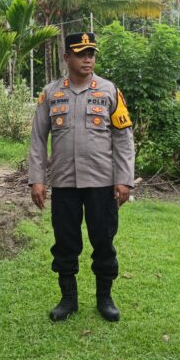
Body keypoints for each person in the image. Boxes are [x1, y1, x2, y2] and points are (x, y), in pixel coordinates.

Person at [28, 32, 135, 323]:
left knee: (104, 241)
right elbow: (38, 139)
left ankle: (105, 298)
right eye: (80, 53)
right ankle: (68, 299)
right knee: (65, 242)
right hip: (65, 183)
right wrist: (37, 179)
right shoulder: (51, 93)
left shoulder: (109, 90)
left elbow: (123, 139)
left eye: (91, 53)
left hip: (102, 183)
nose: (87, 59)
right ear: (67, 57)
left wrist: (124, 179)